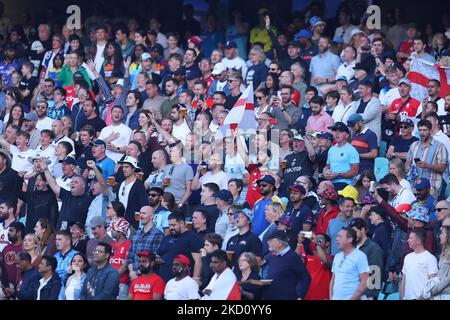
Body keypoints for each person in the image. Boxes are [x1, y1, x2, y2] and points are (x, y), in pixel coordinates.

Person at [42, 158, 93, 231]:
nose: (72, 183)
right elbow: (54, 185)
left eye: (76, 182)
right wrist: (46, 170)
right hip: (61, 232)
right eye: (72, 182)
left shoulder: (88, 200)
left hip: (76, 234)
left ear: (83, 186)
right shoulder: (67, 194)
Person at [261, 230, 311, 300]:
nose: (268, 242)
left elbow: (305, 277)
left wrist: (300, 296)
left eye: (271, 240)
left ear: (280, 243)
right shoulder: (273, 255)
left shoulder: (293, 257)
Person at [406, 119, 447, 199]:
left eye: (425, 130)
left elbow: (442, 168)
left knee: (429, 210)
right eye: (420, 130)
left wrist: (427, 165)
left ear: (430, 130)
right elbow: (408, 162)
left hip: (432, 188)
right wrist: (407, 167)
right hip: (415, 187)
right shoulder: (414, 145)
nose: (422, 133)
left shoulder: (439, 146)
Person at [157, 212, 202, 283]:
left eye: (173, 225)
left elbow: (198, 260)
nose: (171, 228)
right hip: (163, 279)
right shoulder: (167, 238)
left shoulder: (193, 237)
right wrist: (158, 259)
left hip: (182, 280)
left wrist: (196, 278)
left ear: (181, 223)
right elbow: (159, 254)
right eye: (169, 225)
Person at [330, 227, 369, 300]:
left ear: (350, 239)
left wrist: (353, 298)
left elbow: (365, 280)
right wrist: (331, 297)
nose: (337, 238)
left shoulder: (360, 256)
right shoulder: (337, 257)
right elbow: (333, 280)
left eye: (340, 236)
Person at [349, 218, 385, 299]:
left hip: (366, 295)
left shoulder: (374, 248)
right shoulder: (352, 248)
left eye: (355, 232)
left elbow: (375, 276)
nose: (352, 235)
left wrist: (368, 296)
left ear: (362, 230)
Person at [127, 205, 164, 282]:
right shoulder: (136, 233)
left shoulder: (158, 234)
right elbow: (130, 256)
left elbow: (154, 258)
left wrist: (136, 273)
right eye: (140, 213)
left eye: (144, 213)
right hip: (133, 277)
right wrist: (131, 272)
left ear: (151, 216)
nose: (141, 216)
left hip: (148, 277)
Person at [401, 229, 438, 300]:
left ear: (419, 241)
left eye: (411, 238)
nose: (408, 240)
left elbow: (433, 284)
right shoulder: (407, 257)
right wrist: (402, 297)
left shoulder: (430, 258)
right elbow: (404, 280)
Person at [324, 122, 359, 191]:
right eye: (334, 131)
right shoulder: (331, 149)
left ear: (346, 135)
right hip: (331, 183)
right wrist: (325, 171)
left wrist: (338, 174)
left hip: (345, 184)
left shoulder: (351, 150)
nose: (336, 133)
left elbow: (355, 172)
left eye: (339, 131)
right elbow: (327, 167)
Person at [425, 220, 450, 299]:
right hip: (440, 294)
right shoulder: (443, 253)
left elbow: (447, 279)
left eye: (442, 233)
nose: (440, 236)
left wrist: (433, 290)